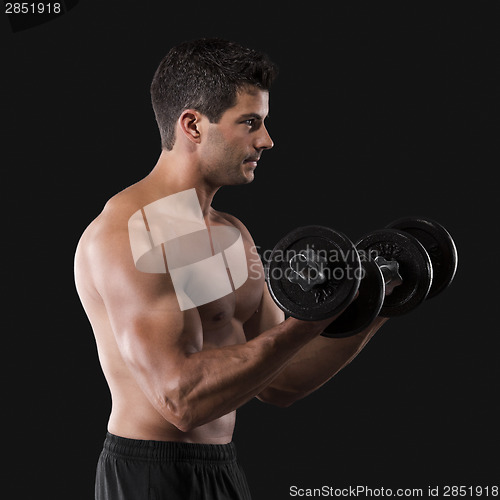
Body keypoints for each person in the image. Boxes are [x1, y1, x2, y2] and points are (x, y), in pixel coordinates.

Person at [74, 38, 388, 500]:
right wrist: (315, 318)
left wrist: (377, 301)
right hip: (150, 475)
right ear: (193, 125)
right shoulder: (129, 230)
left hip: (220, 469)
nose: (267, 140)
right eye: (250, 123)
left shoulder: (228, 232)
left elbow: (281, 378)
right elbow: (180, 399)